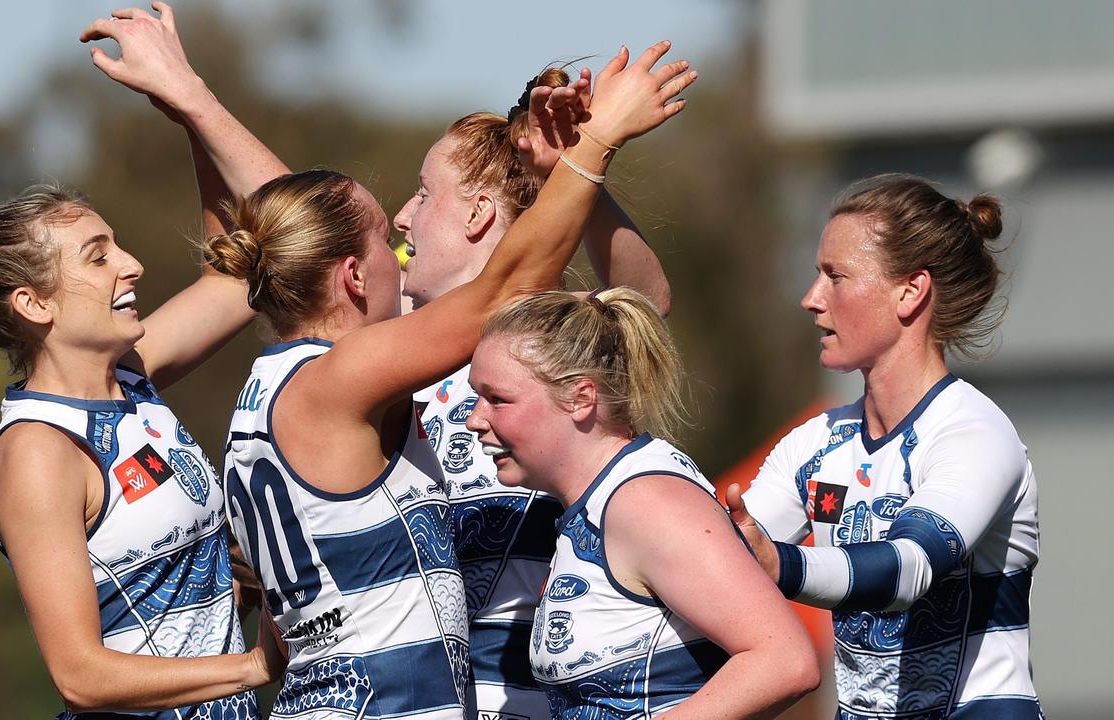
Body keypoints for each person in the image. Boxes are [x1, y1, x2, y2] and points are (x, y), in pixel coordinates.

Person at [207, 43, 696, 720]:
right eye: (383, 237)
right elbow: (505, 287)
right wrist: (601, 138)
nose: (401, 233)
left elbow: (618, 296)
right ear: (352, 274)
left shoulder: (281, 386)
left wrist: (190, 100)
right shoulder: (343, 375)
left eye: (417, 200)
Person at [0, 6, 295, 717]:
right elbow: (80, 675)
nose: (133, 264)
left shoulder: (130, 378)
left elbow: (255, 260)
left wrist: (187, 101)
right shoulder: (36, 454)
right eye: (99, 256)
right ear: (34, 304)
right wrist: (252, 664)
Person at [397, 67, 672, 719]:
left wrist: (573, 167)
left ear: (478, 211)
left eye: (422, 193)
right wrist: (194, 100)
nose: (401, 215)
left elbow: (646, 304)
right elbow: (304, 232)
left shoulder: (544, 334)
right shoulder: (391, 339)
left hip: (538, 700)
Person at [727, 175, 1043, 719]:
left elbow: (908, 570)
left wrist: (778, 563)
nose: (811, 299)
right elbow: (720, 572)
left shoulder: (974, 433)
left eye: (835, 276)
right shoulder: (814, 444)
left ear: (909, 292)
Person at [462, 288, 820, 720]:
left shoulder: (646, 503)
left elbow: (784, 660)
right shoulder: (597, 502)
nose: (475, 419)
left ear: (581, 398)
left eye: (497, 399)